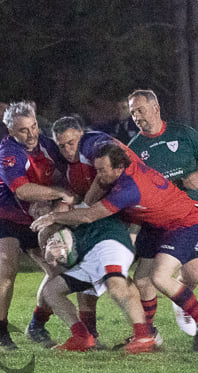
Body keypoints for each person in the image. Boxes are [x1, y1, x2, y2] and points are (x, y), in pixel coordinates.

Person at [31, 144, 198, 351]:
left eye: (102, 170)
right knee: (140, 280)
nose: (98, 175)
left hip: (182, 223)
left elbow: (89, 215)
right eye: (97, 169)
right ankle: (146, 336)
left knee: (160, 278)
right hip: (155, 225)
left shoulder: (128, 188)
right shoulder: (127, 171)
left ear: (119, 168)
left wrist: (53, 216)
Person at [126, 89, 198, 339]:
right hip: (166, 219)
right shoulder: (135, 149)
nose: (136, 116)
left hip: (197, 208)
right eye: (132, 112)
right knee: (176, 274)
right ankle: (170, 315)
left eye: (140, 110)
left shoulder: (183, 134)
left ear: (156, 107)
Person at [0, 101, 74, 351]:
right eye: (23, 130)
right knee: (8, 268)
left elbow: (65, 173)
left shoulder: (47, 144)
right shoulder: (9, 152)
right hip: (2, 216)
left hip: (34, 218)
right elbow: (22, 190)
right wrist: (56, 193)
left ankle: (36, 325)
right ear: (11, 131)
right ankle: (0, 333)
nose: (32, 134)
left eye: (33, 126)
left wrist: (57, 203)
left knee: (57, 272)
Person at [48, 116, 144, 343]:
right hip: (94, 230)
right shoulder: (68, 167)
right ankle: (86, 337)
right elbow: (76, 200)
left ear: (81, 134)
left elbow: (95, 197)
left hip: (115, 228)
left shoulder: (94, 144)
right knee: (56, 290)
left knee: (121, 283)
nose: (67, 149)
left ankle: (145, 335)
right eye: (61, 145)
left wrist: (69, 213)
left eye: (71, 142)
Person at [39, 216, 157, 354]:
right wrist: (51, 258)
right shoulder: (52, 228)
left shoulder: (76, 203)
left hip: (109, 241)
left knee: (117, 286)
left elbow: (91, 210)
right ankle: (82, 337)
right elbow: (57, 271)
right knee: (51, 291)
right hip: (89, 253)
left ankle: (143, 337)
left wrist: (132, 234)